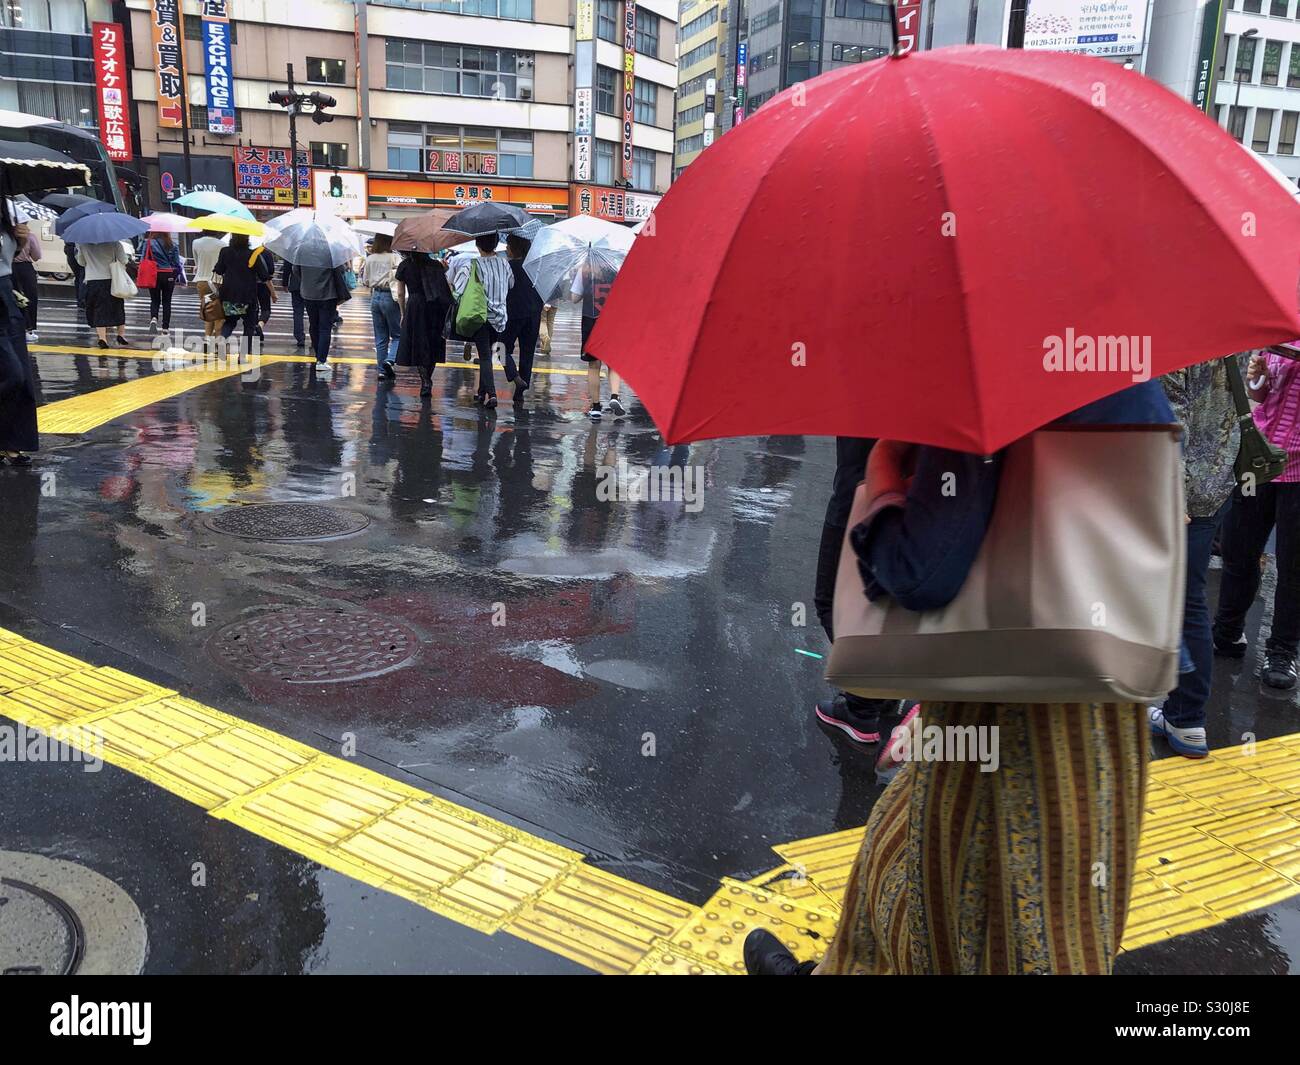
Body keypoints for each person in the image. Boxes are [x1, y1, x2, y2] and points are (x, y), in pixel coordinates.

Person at [745, 380, 1175, 976]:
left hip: (1003, 702)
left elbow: (925, 573)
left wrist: (886, 471)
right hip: (1101, 707)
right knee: (1047, 897)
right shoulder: (1129, 377)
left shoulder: (986, 381)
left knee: (987, 917)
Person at [1149, 357, 1239, 757]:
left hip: (1183, 495)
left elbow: (1174, 423)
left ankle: (1186, 719)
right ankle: (1183, 714)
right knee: (1189, 600)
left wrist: (1171, 491)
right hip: (1219, 483)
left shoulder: (1178, 342)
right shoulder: (1232, 334)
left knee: (1183, 603)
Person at [1213, 348, 1300, 691]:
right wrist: (1258, 376)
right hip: (1259, 461)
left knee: (1294, 568)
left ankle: (1281, 651)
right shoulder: (1278, 332)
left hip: (1298, 471)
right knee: (1238, 551)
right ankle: (1228, 631)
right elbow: (1259, 395)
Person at [811, 437, 904, 744]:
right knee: (886, 605)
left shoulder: (862, 394)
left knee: (832, 603)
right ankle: (887, 687)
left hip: (857, 504)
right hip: (908, 505)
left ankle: (862, 706)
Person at [449, 233, 512, 409]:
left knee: (484, 356)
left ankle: (491, 394)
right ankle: (481, 392)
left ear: (477, 245)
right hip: (500, 317)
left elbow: (458, 289)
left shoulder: (472, 265)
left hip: (480, 315)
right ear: (496, 245)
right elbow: (511, 284)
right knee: (490, 352)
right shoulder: (504, 263)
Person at [0, 203, 38, 465]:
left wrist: (19, 239)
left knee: (21, 376)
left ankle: (11, 443)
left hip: (5, 295)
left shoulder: (6, 220)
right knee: (10, 373)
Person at [572, 261, 625, 419]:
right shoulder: (615, 268)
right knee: (613, 363)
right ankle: (614, 396)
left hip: (590, 320)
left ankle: (595, 407)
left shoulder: (585, 270)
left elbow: (574, 298)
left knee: (593, 365)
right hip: (612, 320)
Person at [394, 250, 450, 398]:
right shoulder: (436, 265)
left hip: (415, 306)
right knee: (433, 342)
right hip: (435, 306)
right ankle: (428, 377)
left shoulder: (405, 265)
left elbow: (400, 293)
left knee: (419, 343)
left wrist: (402, 312)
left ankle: (425, 380)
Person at [500, 233, 543, 405]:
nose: (506, 249)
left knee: (500, 347)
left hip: (513, 313)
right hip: (533, 314)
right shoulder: (535, 267)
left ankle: (512, 374)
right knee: (527, 353)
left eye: (508, 245)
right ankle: (520, 391)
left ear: (513, 248)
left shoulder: (508, 267)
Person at [213, 234, 271, 348]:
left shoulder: (225, 251)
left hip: (229, 293)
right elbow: (264, 276)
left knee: (230, 322)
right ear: (247, 239)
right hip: (247, 296)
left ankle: (222, 339)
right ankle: (243, 354)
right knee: (249, 325)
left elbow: (219, 270)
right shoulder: (253, 254)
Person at [297, 260, 351, 372]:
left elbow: (295, 270)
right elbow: (340, 269)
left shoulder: (302, 251)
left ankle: (318, 355)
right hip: (328, 294)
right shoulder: (330, 252)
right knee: (325, 328)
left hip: (309, 293)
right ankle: (321, 360)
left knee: (313, 325)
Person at [77, 239, 130, 348]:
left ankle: (102, 338)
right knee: (117, 307)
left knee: (98, 309)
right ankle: (121, 335)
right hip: (112, 280)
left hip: (93, 280)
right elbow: (124, 260)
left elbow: (81, 262)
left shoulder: (84, 243)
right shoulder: (115, 243)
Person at [363, 234, 401, 379]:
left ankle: (381, 371)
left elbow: (365, 281)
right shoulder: (394, 258)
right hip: (390, 296)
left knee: (380, 336)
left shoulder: (370, 258)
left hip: (375, 296)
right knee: (397, 334)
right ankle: (390, 360)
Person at [144, 231, 183, 332]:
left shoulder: (149, 243)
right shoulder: (172, 244)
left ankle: (154, 318)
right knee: (167, 301)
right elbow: (176, 263)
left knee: (154, 299)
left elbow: (143, 259)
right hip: (168, 274)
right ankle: (165, 327)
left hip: (154, 274)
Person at [192, 231, 224, 342]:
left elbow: (197, 263)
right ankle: (218, 340)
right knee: (219, 313)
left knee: (207, 309)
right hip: (217, 282)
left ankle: (207, 337)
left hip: (202, 281)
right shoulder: (223, 245)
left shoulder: (195, 243)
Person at [11, 222, 40, 343]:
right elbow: (36, 256)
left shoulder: (7, 235)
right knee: (30, 298)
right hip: (26, 268)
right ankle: (29, 329)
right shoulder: (30, 236)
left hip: (9, 267)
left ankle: (14, 327)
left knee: (13, 298)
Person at [280, 256, 305, 349]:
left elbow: (286, 268)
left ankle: (300, 337)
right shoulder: (314, 251)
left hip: (295, 285)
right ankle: (315, 336)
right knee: (313, 313)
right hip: (311, 286)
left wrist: (285, 283)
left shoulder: (292, 252)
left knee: (298, 312)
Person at [63, 239, 85, 311]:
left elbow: (65, 250)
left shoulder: (70, 233)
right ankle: (82, 301)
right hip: (79, 253)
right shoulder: (82, 234)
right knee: (82, 277)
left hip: (70, 253)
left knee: (78, 277)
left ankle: (79, 299)